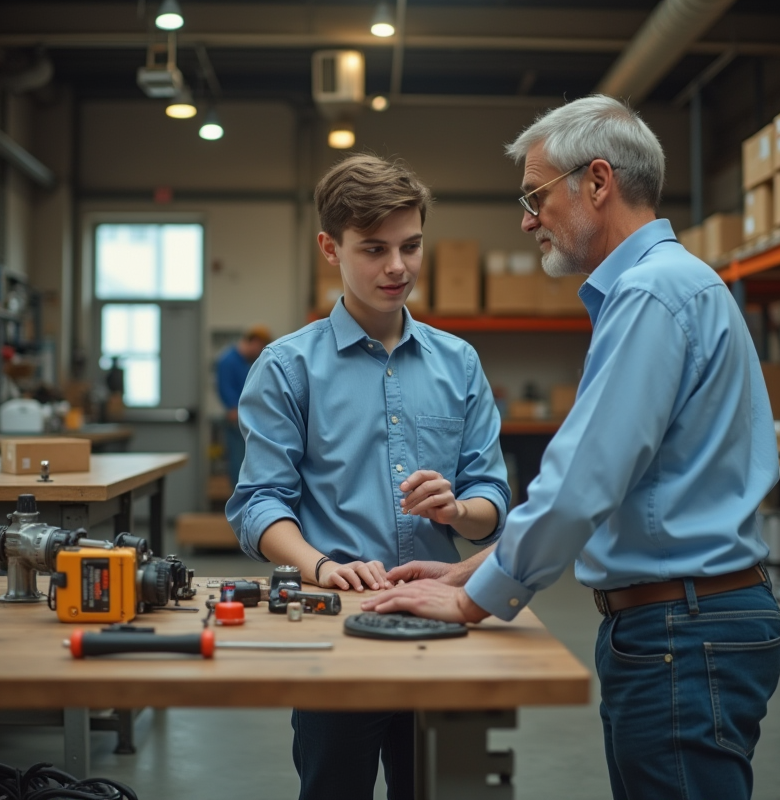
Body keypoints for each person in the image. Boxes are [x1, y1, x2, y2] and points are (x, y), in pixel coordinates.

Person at [362, 95, 780, 800]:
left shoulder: (651, 295)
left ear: (597, 182)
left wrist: (474, 602)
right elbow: (618, 492)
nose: (528, 219)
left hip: (681, 630)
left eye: (536, 196)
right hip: (686, 620)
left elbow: (581, 483)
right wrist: (470, 570)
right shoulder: (673, 286)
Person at [225, 153, 510, 800]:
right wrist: (321, 566)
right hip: (337, 625)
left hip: (443, 621)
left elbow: (491, 496)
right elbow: (260, 503)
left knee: (448, 790)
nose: (397, 267)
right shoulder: (287, 368)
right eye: (374, 249)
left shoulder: (460, 363)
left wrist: (459, 512)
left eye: (411, 246)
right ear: (331, 248)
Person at [216, 325, 270, 482]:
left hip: (250, 418)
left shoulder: (246, 362)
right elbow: (225, 390)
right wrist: (235, 411)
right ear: (255, 341)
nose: (259, 352)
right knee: (239, 462)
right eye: (260, 347)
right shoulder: (228, 360)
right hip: (237, 420)